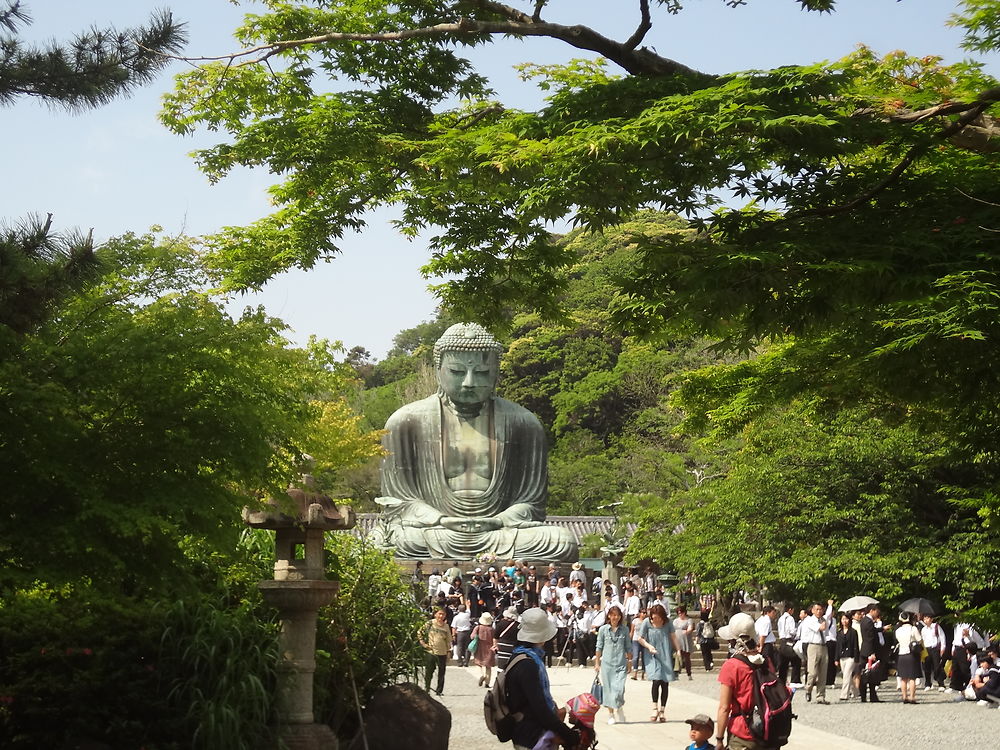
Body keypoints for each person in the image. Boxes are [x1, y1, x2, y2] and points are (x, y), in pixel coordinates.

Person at [374, 323, 576, 559]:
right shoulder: (406, 422)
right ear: (438, 370)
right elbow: (397, 502)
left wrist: (498, 520)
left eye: (481, 373)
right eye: (457, 372)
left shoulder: (524, 423)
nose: (469, 382)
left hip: (500, 530)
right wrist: (440, 519)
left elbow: (531, 503)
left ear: (496, 373)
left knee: (561, 541)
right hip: (435, 530)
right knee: (383, 540)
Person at [503, 607, 581, 750]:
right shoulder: (529, 665)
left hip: (524, 732)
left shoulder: (518, 657)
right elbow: (540, 708)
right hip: (533, 737)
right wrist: (569, 735)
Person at [715, 612, 771, 750]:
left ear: (734, 641)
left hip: (743, 732)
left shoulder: (732, 666)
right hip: (767, 731)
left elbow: (724, 707)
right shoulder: (766, 662)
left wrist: (719, 739)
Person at [635, 603, 679, 722]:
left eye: (658, 617)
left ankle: (662, 710)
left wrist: (678, 650)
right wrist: (649, 646)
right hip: (652, 654)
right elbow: (640, 638)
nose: (656, 619)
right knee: (656, 679)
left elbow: (673, 637)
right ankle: (654, 707)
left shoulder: (668, 623)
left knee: (665, 682)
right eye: (654, 617)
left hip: (665, 653)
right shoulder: (647, 623)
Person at [595, 602, 632, 725]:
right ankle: (611, 714)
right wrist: (597, 663)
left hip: (621, 663)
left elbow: (628, 647)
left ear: (620, 617)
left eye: (617, 615)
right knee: (609, 690)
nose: (615, 617)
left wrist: (630, 661)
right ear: (609, 616)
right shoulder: (603, 630)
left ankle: (619, 706)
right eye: (612, 615)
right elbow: (599, 647)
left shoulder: (625, 630)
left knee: (619, 689)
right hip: (607, 664)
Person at [800, 602, 829, 704]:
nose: (819, 611)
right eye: (817, 609)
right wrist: (824, 622)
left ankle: (820, 696)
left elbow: (827, 632)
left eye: (820, 609)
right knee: (812, 672)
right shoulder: (810, 620)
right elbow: (821, 628)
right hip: (813, 646)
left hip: (823, 646)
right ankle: (808, 688)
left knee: (823, 672)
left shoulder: (823, 620)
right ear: (812, 610)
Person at [420, 608, 451, 696]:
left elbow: (448, 640)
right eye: (439, 614)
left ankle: (439, 691)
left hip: (442, 652)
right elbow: (419, 632)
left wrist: (449, 652)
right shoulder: (430, 623)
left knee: (441, 672)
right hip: (431, 652)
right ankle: (427, 688)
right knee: (429, 671)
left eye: (443, 614)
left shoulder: (446, 626)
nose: (441, 616)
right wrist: (423, 643)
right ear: (435, 614)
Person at [895, 611, 922, 704]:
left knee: (903, 677)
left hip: (901, 654)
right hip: (911, 654)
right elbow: (919, 640)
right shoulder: (913, 629)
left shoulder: (898, 630)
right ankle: (912, 697)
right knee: (912, 678)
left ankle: (904, 697)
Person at [858, 604, 883, 703]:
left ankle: (867, 696)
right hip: (868, 650)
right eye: (877, 611)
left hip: (865, 649)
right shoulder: (868, 622)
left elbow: (872, 632)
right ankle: (870, 696)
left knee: (866, 673)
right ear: (872, 611)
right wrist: (872, 652)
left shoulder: (864, 620)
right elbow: (869, 638)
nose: (877, 613)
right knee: (869, 674)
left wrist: (881, 629)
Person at [835, 611, 860, 701]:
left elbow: (855, 646)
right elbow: (837, 646)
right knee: (847, 676)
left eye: (846, 619)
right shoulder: (839, 633)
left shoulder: (853, 632)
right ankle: (856, 691)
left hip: (851, 656)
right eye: (843, 619)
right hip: (842, 656)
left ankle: (844, 694)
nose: (844, 621)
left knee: (847, 674)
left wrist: (857, 658)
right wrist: (836, 658)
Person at [920, 614, 947, 691]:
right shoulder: (923, 629)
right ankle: (928, 683)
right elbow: (923, 640)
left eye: (927, 618)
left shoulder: (936, 627)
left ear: (931, 619)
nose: (926, 620)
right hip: (926, 649)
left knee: (937, 666)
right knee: (927, 667)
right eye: (924, 619)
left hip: (935, 648)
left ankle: (941, 683)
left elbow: (942, 638)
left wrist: (943, 648)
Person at [472, 612, 497, 687]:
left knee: (479, 663)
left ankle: (482, 675)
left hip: (480, 648)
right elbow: (495, 639)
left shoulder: (478, 627)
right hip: (489, 648)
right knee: (488, 666)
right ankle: (487, 682)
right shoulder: (492, 629)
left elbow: (472, 636)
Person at [494, 606, 521, 671]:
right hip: (513, 646)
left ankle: (500, 679)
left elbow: (495, 636)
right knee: (511, 666)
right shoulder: (518, 625)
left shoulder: (500, 624)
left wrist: (495, 645)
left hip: (502, 646)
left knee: (501, 667)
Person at [674, 605, 695, 680]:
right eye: (679, 613)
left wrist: (687, 631)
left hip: (686, 640)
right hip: (677, 639)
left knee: (686, 658)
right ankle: (677, 673)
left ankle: (689, 673)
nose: (680, 614)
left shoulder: (688, 620)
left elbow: (690, 628)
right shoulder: (675, 621)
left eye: (681, 613)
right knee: (678, 657)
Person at [754, 605, 778, 673]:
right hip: (766, 645)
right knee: (768, 663)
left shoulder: (760, 620)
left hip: (763, 643)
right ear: (767, 613)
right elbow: (763, 635)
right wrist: (761, 646)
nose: (774, 615)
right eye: (773, 613)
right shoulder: (766, 621)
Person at [629, 608, 648, 679]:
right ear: (640, 613)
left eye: (645, 613)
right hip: (636, 640)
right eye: (643, 612)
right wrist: (629, 640)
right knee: (636, 656)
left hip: (644, 640)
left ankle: (643, 674)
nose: (644, 614)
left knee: (644, 657)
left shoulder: (647, 621)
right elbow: (632, 631)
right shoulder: (635, 621)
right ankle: (635, 673)